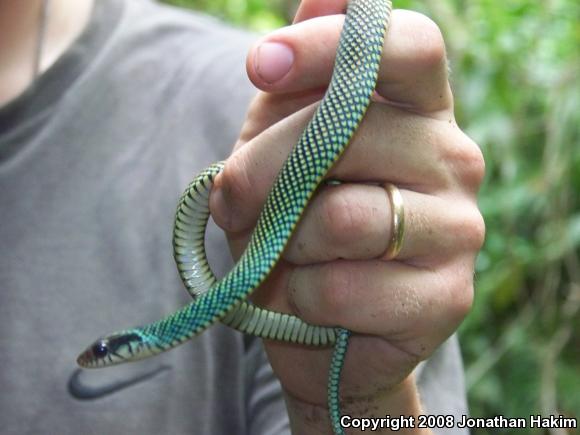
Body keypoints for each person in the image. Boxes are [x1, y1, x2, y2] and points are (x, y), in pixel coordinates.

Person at [0, 0, 484, 433]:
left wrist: (363, 404)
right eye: (103, 354)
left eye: (106, 352)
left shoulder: (269, 109)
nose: (97, 360)